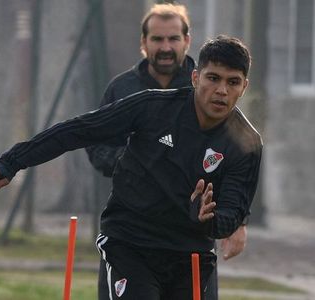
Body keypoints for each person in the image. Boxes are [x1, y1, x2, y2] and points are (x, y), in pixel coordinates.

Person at [0, 35, 263, 299]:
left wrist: (207, 221)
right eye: (213, 78)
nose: (221, 90)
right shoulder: (151, 107)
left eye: (232, 82)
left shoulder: (246, 144)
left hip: (192, 256)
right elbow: (79, 130)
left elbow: (232, 215)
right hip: (131, 245)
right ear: (196, 77)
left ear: (244, 86)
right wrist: (10, 162)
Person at [86, 3, 248, 299]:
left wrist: (237, 220)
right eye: (157, 39)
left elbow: (237, 155)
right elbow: (96, 144)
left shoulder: (209, 87)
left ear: (187, 41)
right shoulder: (122, 89)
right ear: (143, 43)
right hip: (134, 234)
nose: (165, 47)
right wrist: (135, 162)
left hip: (190, 239)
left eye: (173, 39)